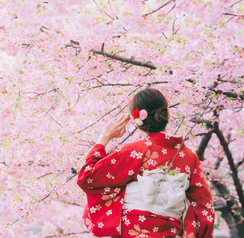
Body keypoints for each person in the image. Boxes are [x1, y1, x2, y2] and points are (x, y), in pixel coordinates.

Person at [77, 88, 215, 238]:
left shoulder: (134, 151)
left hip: (132, 232)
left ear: (137, 120)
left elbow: (87, 177)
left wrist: (104, 136)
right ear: (166, 113)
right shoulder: (190, 157)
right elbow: (203, 208)